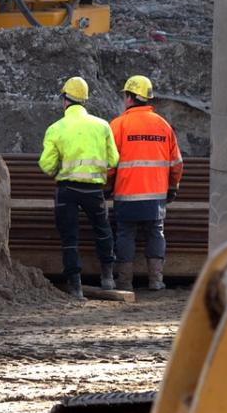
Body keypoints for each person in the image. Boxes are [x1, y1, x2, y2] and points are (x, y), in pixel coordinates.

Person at [39, 76, 120, 298]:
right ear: (84, 100)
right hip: (94, 190)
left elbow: (46, 164)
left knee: (70, 237)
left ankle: (75, 286)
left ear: (65, 100)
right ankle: (107, 278)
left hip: (67, 190)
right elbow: (113, 160)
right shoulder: (102, 126)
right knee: (103, 231)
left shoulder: (56, 128)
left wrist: (58, 170)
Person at [109, 75, 183, 291]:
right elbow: (177, 163)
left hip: (127, 195)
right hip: (156, 196)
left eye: (125, 95)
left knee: (124, 234)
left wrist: (108, 186)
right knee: (155, 232)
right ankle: (156, 280)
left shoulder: (118, 125)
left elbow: (110, 164)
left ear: (130, 97)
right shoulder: (163, 125)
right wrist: (172, 187)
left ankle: (124, 282)